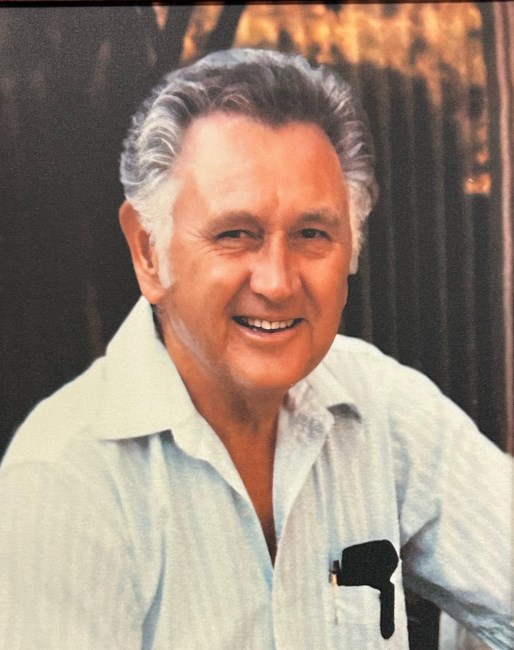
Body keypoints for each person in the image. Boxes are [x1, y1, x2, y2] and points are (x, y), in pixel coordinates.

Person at [0, 49, 511, 650]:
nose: (277, 281)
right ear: (148, 252)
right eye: (235, 234)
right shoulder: (64, 482)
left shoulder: (384, 407)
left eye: (312, 234)